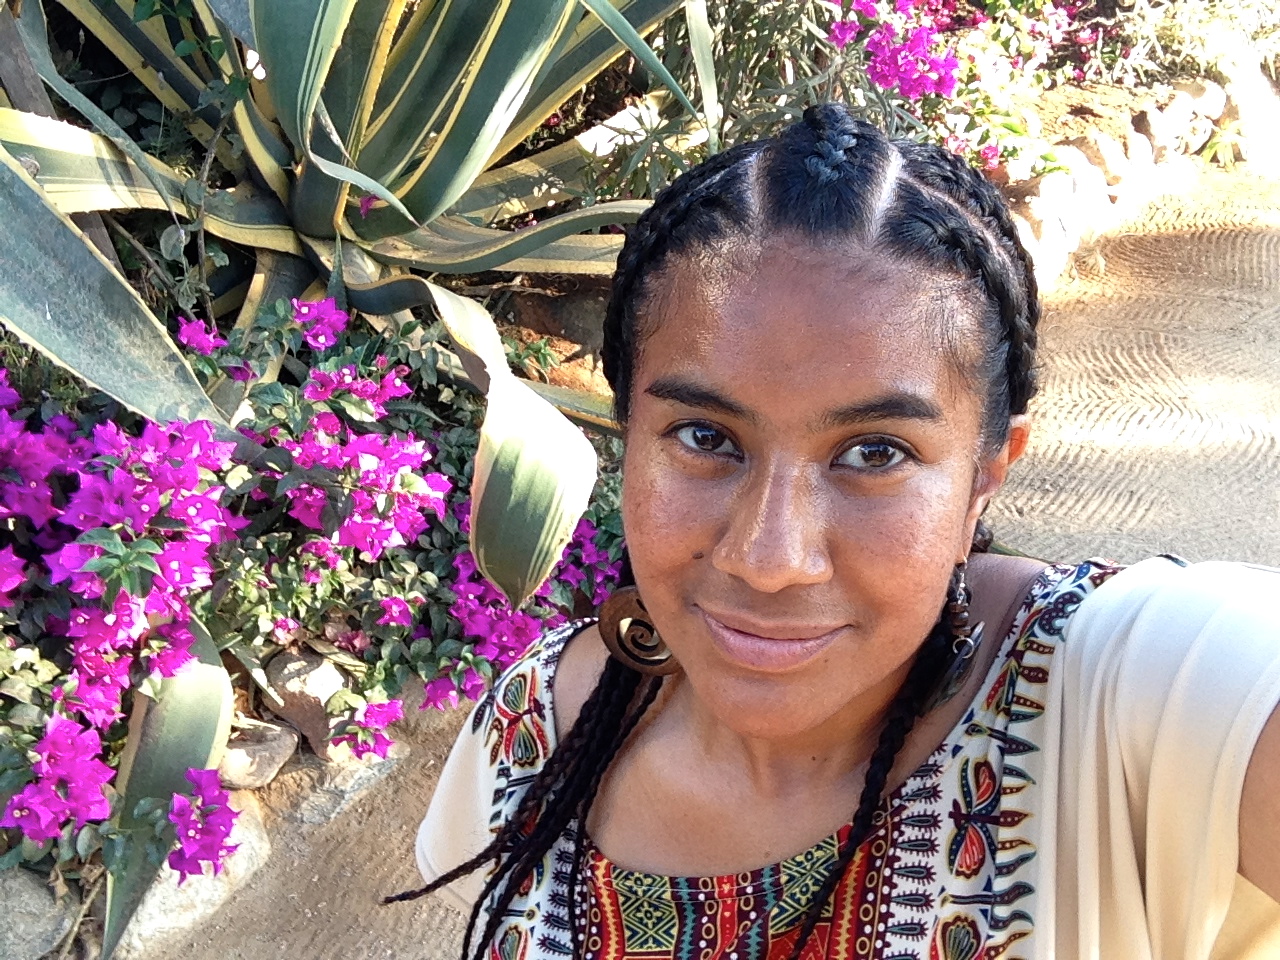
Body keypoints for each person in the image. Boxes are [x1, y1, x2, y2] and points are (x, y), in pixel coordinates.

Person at [389, 104, 1280, 960]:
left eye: (874, 453)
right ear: (629, 438)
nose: (770, 559)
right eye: (704, 437)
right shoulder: (536, 732)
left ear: (986, 474)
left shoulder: (1122, 701)